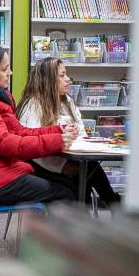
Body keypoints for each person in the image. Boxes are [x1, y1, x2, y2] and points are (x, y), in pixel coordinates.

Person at [0, 43, 76, 206]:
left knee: (70, 186)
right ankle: (48, 232)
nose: (10, 73)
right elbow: (5, 143)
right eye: (4, 70)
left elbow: (19, 131)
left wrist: (58, 130)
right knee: (65, 194)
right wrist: (58, 141)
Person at [16, 57, 121, 206]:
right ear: (48, 80)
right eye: (62, 75)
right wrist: (62, 166)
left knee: (89, 169)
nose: (68, 79)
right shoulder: (32, 105)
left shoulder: (67, 101)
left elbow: (82, 134)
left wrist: (76, 134)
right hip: (42, 168)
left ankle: (106, 205)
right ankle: (111, 204)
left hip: (71, 160)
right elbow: (31, 148)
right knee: (81, 181)